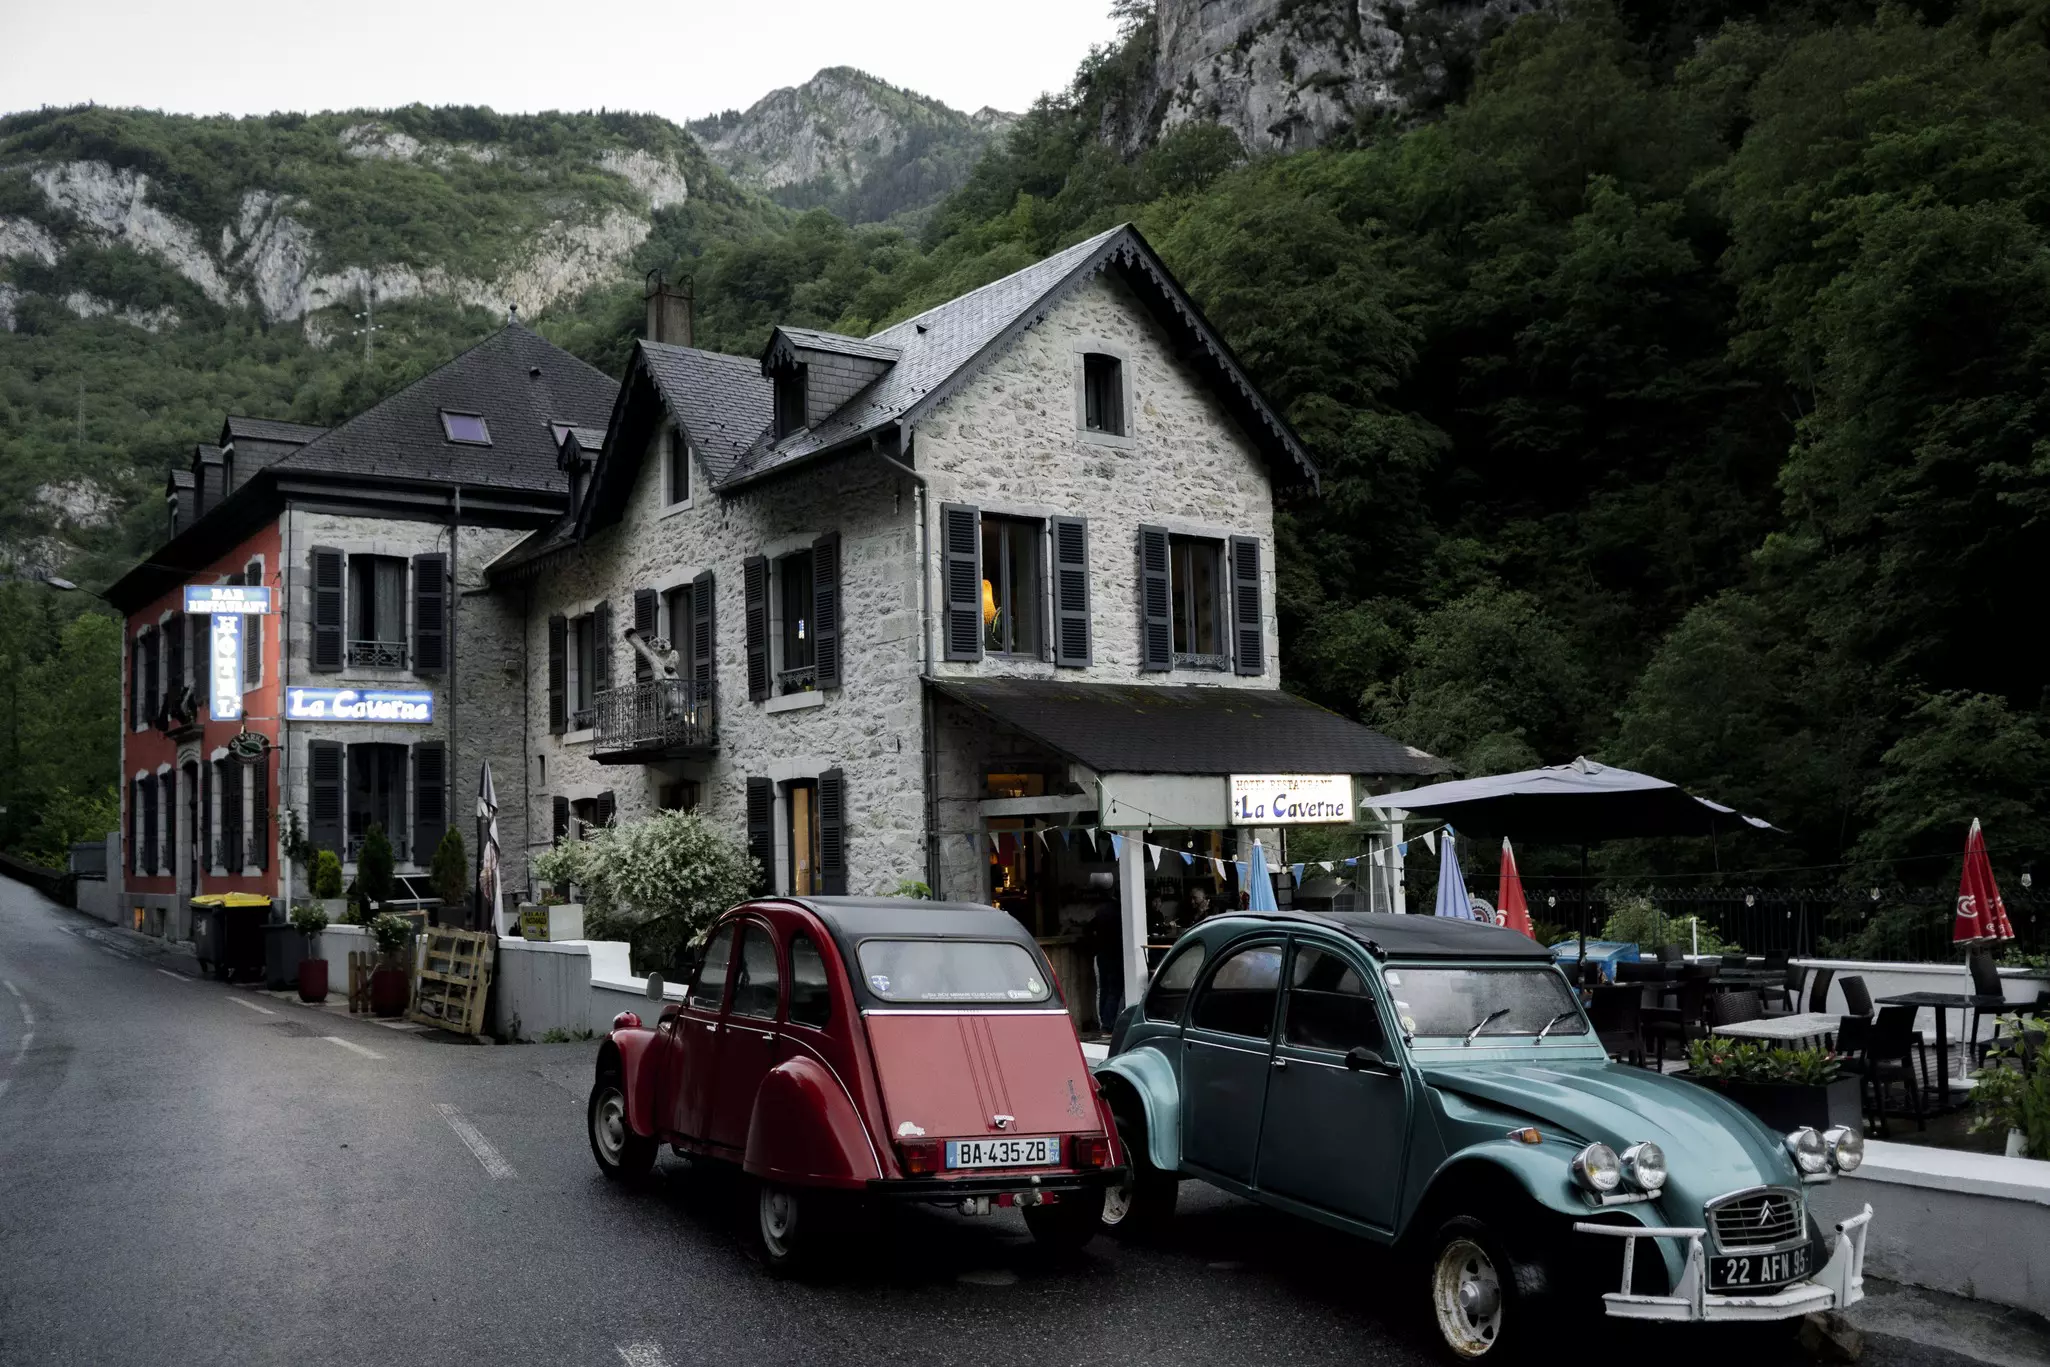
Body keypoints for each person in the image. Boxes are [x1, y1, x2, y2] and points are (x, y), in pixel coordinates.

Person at [1084, 896, 1123, 1032]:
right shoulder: (1121, 913)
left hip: (1101, 954)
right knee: (1114, 990)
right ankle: (1109, 1023)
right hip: (1115, 955)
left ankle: (1104, 1023)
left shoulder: (1101, 912)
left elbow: (1087, 930)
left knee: (1103, 990)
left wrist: (1094, 945)